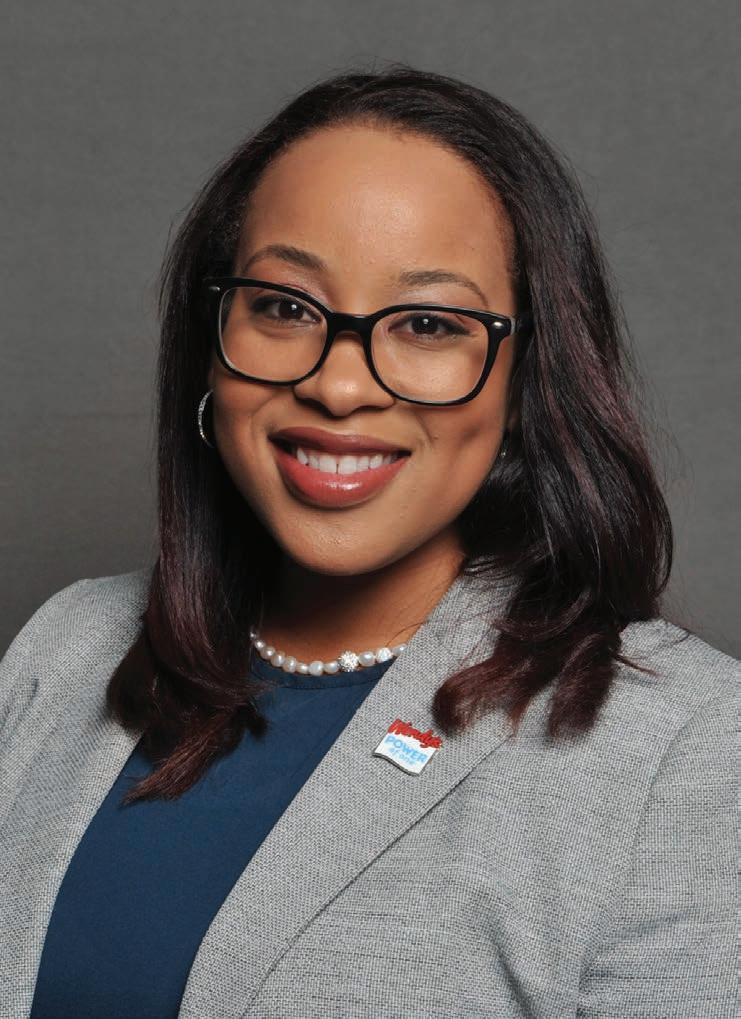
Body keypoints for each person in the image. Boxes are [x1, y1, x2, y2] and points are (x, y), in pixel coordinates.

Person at [1, 66, 737, 1019]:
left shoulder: (684, 750)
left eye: (428, 323)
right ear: (211, 337)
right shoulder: (64, 653)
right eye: (283, 306)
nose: (340, 386)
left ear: (526, 382)